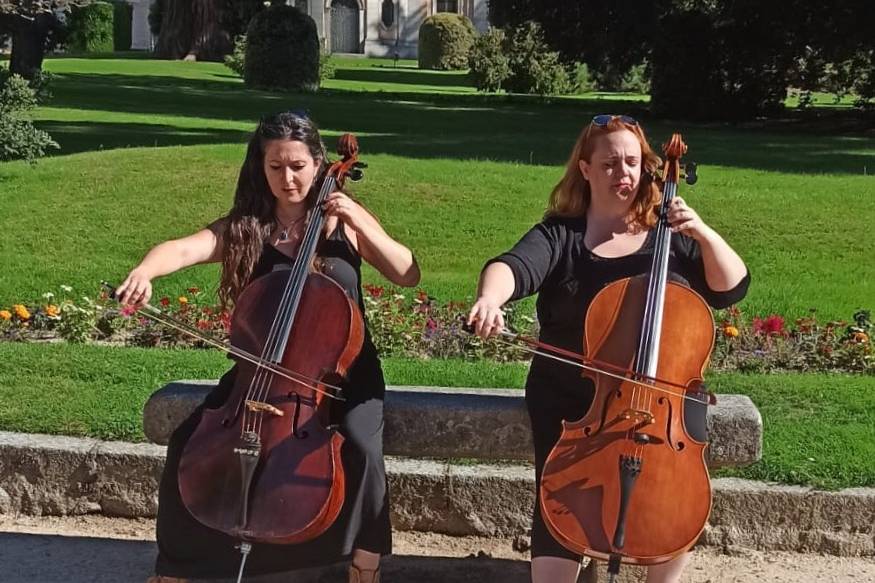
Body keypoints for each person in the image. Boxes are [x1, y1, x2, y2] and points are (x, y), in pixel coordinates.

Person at [116, 111, 420, 583]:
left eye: (297, 165)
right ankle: (176, 568)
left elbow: (406, 272)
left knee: (361, 447)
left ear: (320, 164)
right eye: (275, 167)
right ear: (261, 168)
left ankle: (365, 564)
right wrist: (144, 272)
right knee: (186, 442)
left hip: (343, 372)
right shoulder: (247, 229)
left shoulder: (345, 225)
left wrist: (357, 216)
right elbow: (181, 248)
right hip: (258, 373)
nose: (288, 178)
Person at [467, 115, 749, 583]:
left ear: (647, 169)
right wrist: (489, 298)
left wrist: (701, 232)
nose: (624, 173)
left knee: (672, 486)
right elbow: (513, 267)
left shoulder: (672, 237)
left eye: (633, 163)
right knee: (563, 501)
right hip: (576, 400)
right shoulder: (562, 236)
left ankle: (663, 568)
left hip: (665, 405)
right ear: (585, 168)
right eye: (611, 163)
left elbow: (730, 289)